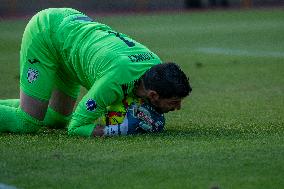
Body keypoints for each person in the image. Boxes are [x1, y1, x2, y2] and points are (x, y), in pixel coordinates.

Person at [0, 8, 192, 137]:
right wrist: (118, 129)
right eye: (174, 102)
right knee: (28, 122)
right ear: (153, 95)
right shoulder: (114, 83)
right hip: (47, 33)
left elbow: (130, 95)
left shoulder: (155, 68)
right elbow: (76, 127)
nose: (178, 107)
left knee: (58, 119)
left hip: (70, 36)